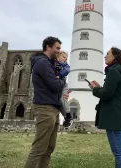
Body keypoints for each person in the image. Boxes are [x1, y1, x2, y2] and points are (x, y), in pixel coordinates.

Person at [24, 37, 69, 168]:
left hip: (53, 109)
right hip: (45, 108)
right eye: (57, 48)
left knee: (49, 148)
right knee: (39, 148)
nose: (59, 51)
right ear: (48, 47)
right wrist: (63, 79)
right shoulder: (42, 63)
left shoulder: (50, 63)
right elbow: (55, 85)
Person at [88, 47, 121, 168]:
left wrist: (95, 89)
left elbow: (106, 95)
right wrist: (100, 87)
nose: (105, 56)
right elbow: (111, 92)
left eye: (108, 54)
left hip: (114, 116)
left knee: (119, 153)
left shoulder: (113, 71)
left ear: (114, 56)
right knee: (119, 152)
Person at [54, 51, 73, 128]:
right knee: (60, 100)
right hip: (59, 85)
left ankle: (68, 114)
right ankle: (67, 117)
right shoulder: (53, 64)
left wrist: (60, 75)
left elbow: (67, 70)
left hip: (64, 85)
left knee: (62, 99)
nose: (66, 59)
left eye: (66, 57)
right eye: (64, 57)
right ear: (58, 57)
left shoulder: (65, 65)